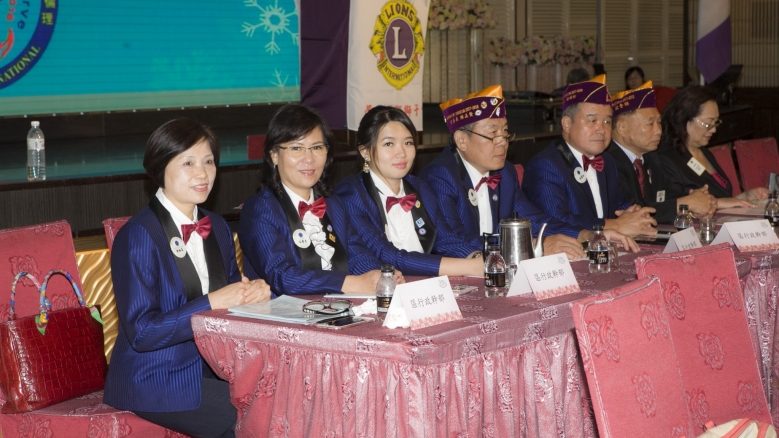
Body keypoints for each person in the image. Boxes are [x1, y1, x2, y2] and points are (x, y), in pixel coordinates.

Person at [105, 118, 271, 438]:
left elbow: (233, 299)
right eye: (188, 163)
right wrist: (211, 302)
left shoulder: (217, 227)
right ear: (160, 168)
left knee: (285, 396)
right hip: (156, 377)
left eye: (208, 162)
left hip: (213, 367)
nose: (202, 173)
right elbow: (142, 333)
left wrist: (256, 295)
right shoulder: (139, 235)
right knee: (256, 416)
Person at [419, 85, 637, 259]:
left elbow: (534, 220)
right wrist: (534, 245)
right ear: (461, 140)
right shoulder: (440, 176)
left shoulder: (505, 173)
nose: (503, 142)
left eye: (505, 133)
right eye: (493, 134)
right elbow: (452, 242)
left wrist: (587, 235)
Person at [238, 104, 401, 296]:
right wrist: (348, 283)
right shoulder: (260, 209)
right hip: (285, 311)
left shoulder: (333, 205)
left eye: (316, 148)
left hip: (337, 307)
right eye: (296, 148)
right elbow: (283, 276)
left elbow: (357, 255)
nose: (309, 159)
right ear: (274, 155)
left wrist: (380, 275)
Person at [334, 106, 484, 277]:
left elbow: (446, 239)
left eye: (408, 143)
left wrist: (477, 257)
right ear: (365, 151)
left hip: (426, 284)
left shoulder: (420, 187)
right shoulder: (351, 195)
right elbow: (388, 256)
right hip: (385, 286)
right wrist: (469, 267)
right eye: (389, 144)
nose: (401, 153)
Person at [523, 75, 657, 238]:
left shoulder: (607, 161)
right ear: (567, 124)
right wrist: (613, 225)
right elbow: (556, 221)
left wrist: (635, 215)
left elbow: (621, 206)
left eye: (607, 122)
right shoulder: (545, 165)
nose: (601, 130)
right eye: (592, 121)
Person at [608, 81, 717, 223]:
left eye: (659, 123)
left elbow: (670, 195)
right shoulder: (607, 161)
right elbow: (629, 211)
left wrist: (696, 200)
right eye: (650, 124)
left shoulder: (651, 158)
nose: (659, 131)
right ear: (622, 128)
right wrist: (686, 203)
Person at [657, 87, 769, 207]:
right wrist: (719, 203)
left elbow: (721, 198)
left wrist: (744, 197)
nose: (714, 129)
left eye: (715, 122)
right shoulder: (667, 158)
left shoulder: (704, 152)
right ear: (685, 119)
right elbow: (673, 206)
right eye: (708, 123)